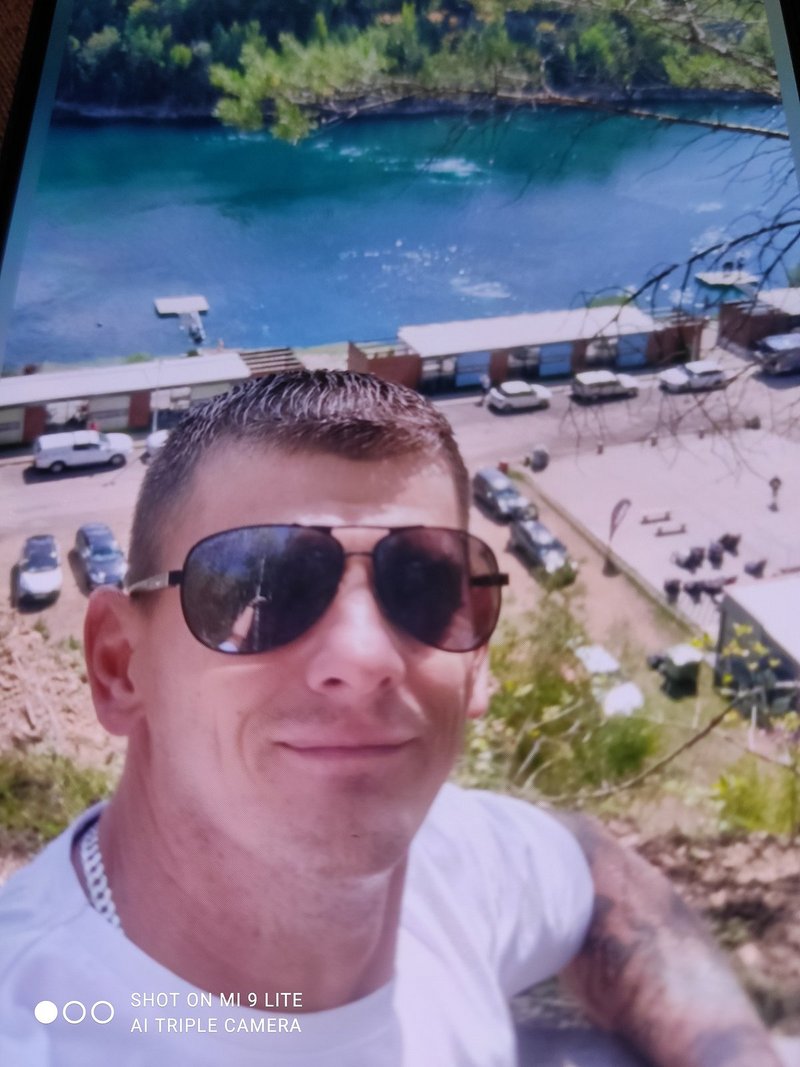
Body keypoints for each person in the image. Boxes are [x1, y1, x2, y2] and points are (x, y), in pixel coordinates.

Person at [0, 371, 782, 1067]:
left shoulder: (456, 863)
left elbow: (591, 867)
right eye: (264, 587)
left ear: (476, 665)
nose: (365, 653)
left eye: (422, 587)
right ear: (120, 666)